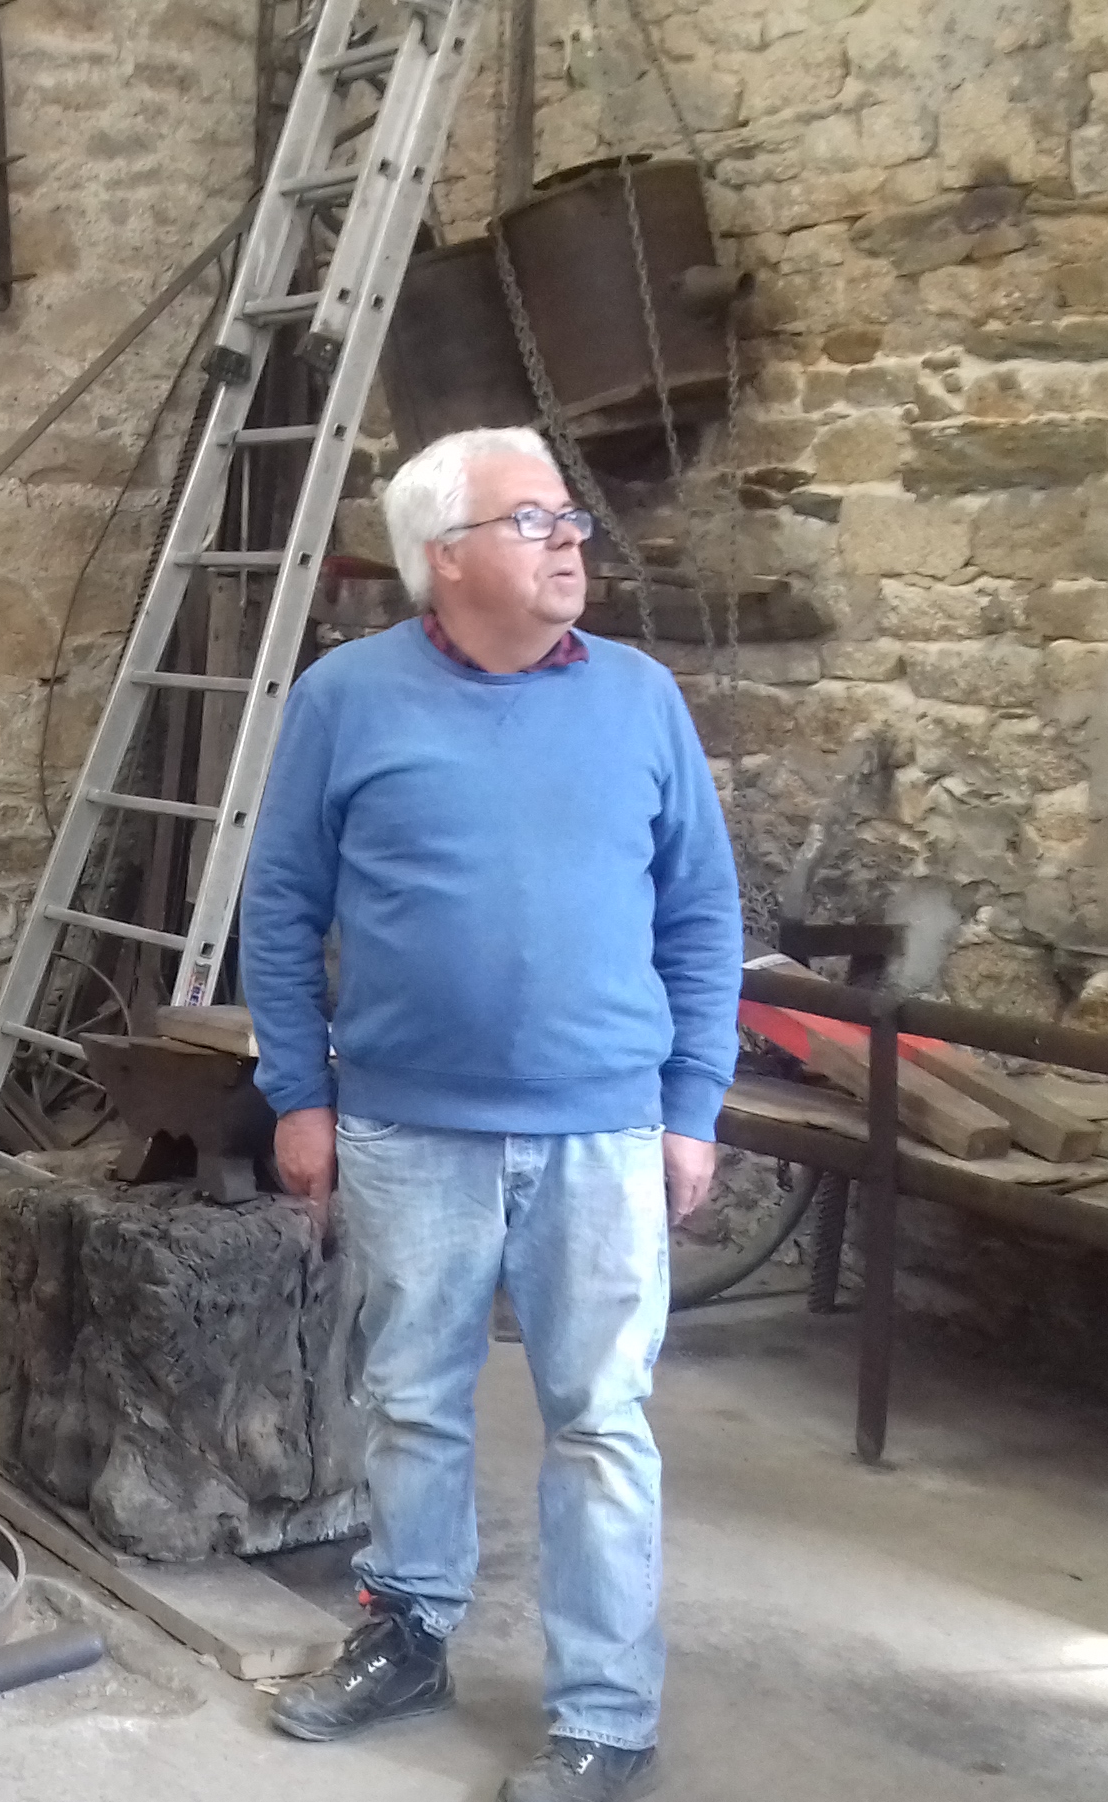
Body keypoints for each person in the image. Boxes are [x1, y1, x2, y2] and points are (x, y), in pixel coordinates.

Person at [243, 426, 740, 1802]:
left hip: (602, 1128)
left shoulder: (640, 698)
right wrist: (300, 1094)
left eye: (568, 517)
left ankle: (606, 1714)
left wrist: (693, 1105)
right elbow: (279, 907)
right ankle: (407, 1636)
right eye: (534, 520)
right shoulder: (347, 698)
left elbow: (703, 914)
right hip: (407, 1127)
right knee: (410, 1399)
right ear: (444, 557)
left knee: (602, 1423)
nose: (571, 539)